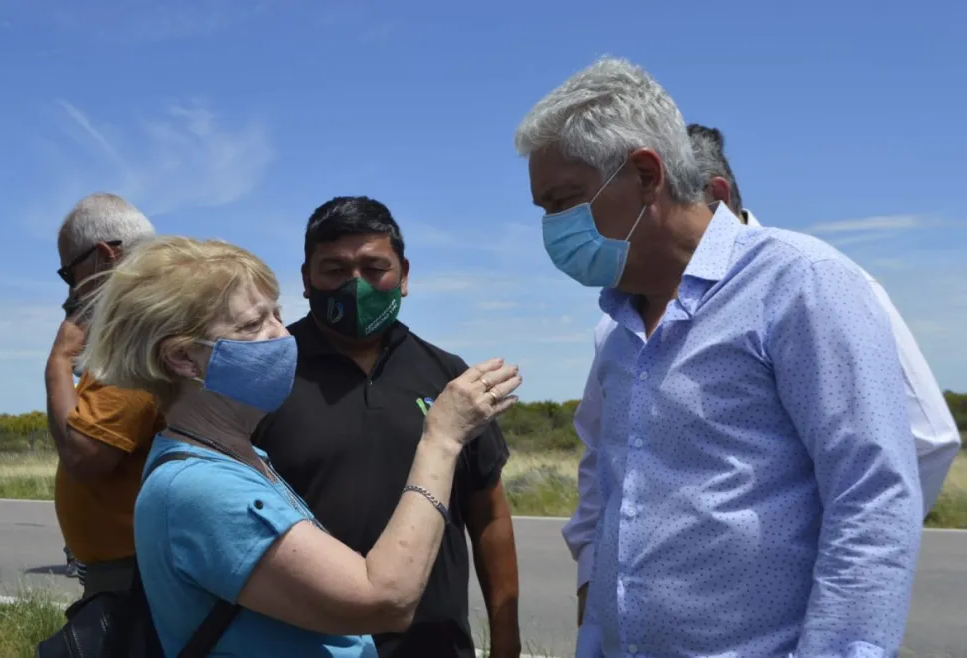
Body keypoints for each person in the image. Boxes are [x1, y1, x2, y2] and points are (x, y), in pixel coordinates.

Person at [514, 56, 923, 656]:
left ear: (647, 175)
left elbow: (871, 497)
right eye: (544, 209)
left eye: (565, 201)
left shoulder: (798, 282)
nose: (553, 227)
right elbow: (611, 489)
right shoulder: (621, 321)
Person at [562, 123, 963, 626]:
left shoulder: (814, 284)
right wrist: (592, 581)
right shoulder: (619, 321)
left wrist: (827, 574)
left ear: (714, 195)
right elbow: (604, 459)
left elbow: (921, 444)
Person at [75, 235, 522, 657]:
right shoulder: (199, 489)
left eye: (276, 313)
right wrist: (441, 439)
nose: (282, 334)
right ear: (183, 358)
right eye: (253, 324)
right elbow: (384, 599)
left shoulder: (239, 456)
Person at [252, 196, 521, 658]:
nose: (356, 285)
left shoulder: (448, 375)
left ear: (405, 274)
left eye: (374, 268)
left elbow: (489, 515)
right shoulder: (264, 374)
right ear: (305, 280)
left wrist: (507, 643)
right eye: (334, 269)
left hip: (436, 646)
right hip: (304, 646)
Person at [47, 192, 162, 598]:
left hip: (135, 583)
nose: (72, 289)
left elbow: (85, 456)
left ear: (104, 256)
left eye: (69, 273)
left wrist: (59, 361)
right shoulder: (157, 315)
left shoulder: (143, 328)